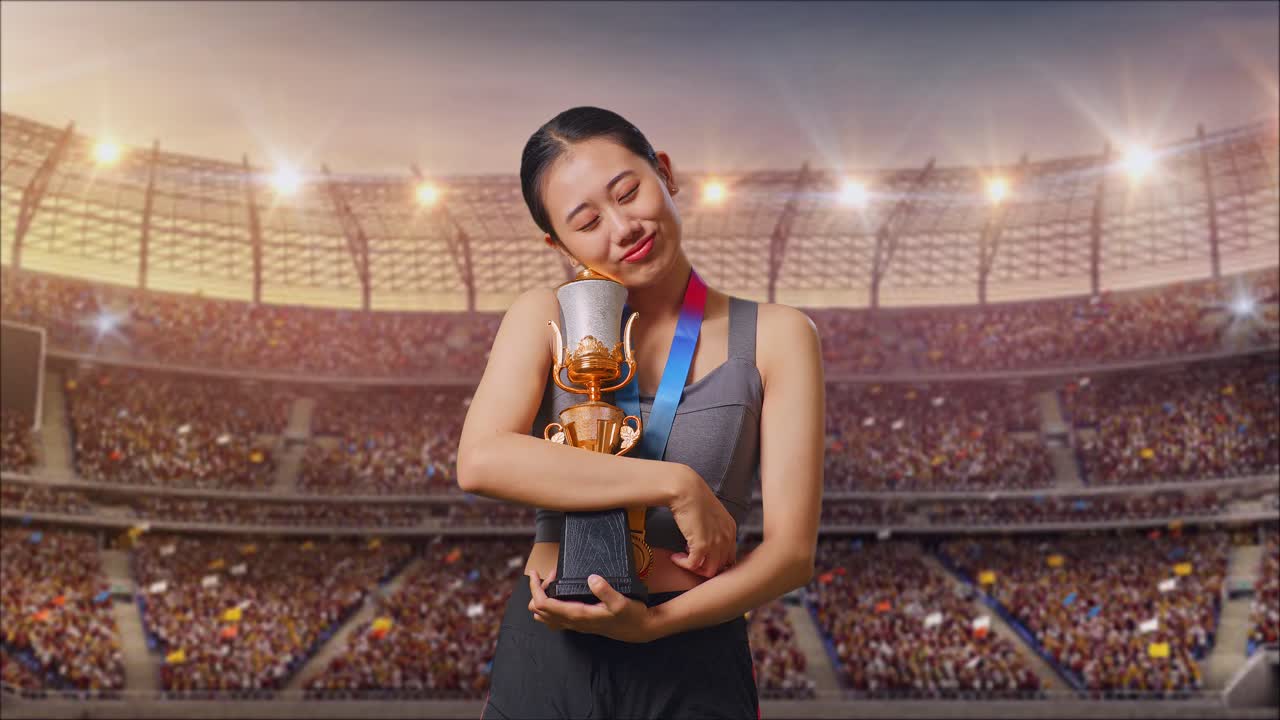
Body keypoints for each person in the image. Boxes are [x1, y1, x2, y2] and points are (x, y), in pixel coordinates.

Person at [458, 106, 824, 719]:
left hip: (694, 659)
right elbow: (481, 460)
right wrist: (674, 484)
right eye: (587, 221)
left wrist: (655, 626)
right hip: (550, 656)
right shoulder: (542, 315)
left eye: (629, 191)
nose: (624, 226)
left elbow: (791, 555)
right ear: (558, 244)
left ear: (665, 172)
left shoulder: (778, 335)